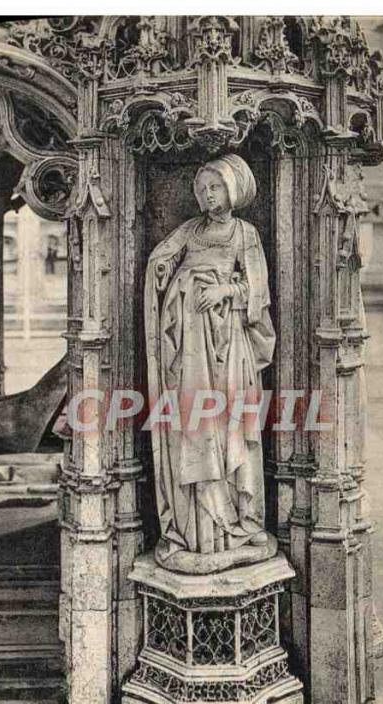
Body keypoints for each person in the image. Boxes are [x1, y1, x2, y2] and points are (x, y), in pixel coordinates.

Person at [144, 154, 276, 573]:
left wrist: (224, 292)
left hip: (230, 344)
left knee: (231, 423)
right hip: (190, 345)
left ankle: (241, 520)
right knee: (195, 423)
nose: (206, 195)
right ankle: (200, 529)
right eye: (201, 189)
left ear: (233, 189)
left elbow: (258, 290)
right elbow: (160, 260)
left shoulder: (245, 233)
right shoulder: (190, 230)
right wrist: (172, 275)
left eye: (213, 187)